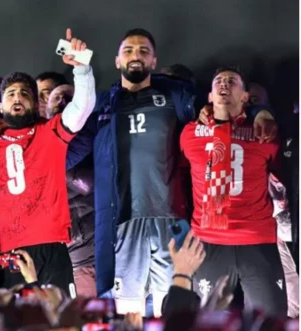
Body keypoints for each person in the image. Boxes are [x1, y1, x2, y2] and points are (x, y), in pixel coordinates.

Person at [66, 28, 277, 316]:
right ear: (117, 61)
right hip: (122, 223)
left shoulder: (177, 97)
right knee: (129, 314)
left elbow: (228, 105)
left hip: (172, 221)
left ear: (154, 61)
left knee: (173, 309)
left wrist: (261, 112)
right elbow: (68, 150)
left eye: (143, 51)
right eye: (128, 50)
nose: (135, 56)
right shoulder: (102, 105)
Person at [0, 28, 95, 297]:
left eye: (24, 93)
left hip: (53, 244)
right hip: (9, 249)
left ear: (35, 104)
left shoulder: (50, 133)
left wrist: (81, 69)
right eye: (10, 93)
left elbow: (82, 107)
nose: (17, 97)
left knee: (60, 321)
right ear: (1, 106)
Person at [180, 67, 287, 315]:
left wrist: (262, 113)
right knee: (210, 322)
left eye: (232, 81)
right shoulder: (189, 134)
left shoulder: (265, 132)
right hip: (208, 241)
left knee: (271, 321)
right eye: (218, 80)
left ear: (245, 96)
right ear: (209, 96)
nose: (224, 84)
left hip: (257, 239)